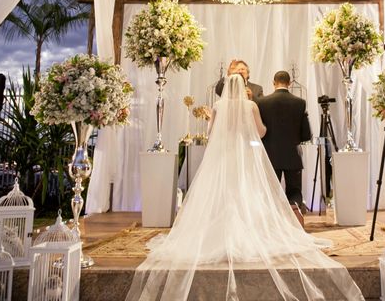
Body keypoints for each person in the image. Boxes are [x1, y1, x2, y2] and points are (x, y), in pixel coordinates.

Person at [126, 74, 363, 301]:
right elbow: (261, 132)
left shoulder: (218, 106)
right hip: (245, 156)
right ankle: (251, 231)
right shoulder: (251, 106)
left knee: (219, 194)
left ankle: (215, 234)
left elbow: (211, 133)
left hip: (222, 157)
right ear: (243, 87)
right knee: (248, 192)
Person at [256, 71, 311, 210]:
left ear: (273, 83)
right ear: (290, 83)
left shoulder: (261, 102)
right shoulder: (300, 103)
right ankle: (295, 221)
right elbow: (306, 134)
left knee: (270, 193)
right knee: (294, 192)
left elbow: (259, 130)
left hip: (270, 155)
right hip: (292, 155)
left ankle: (271, 224)